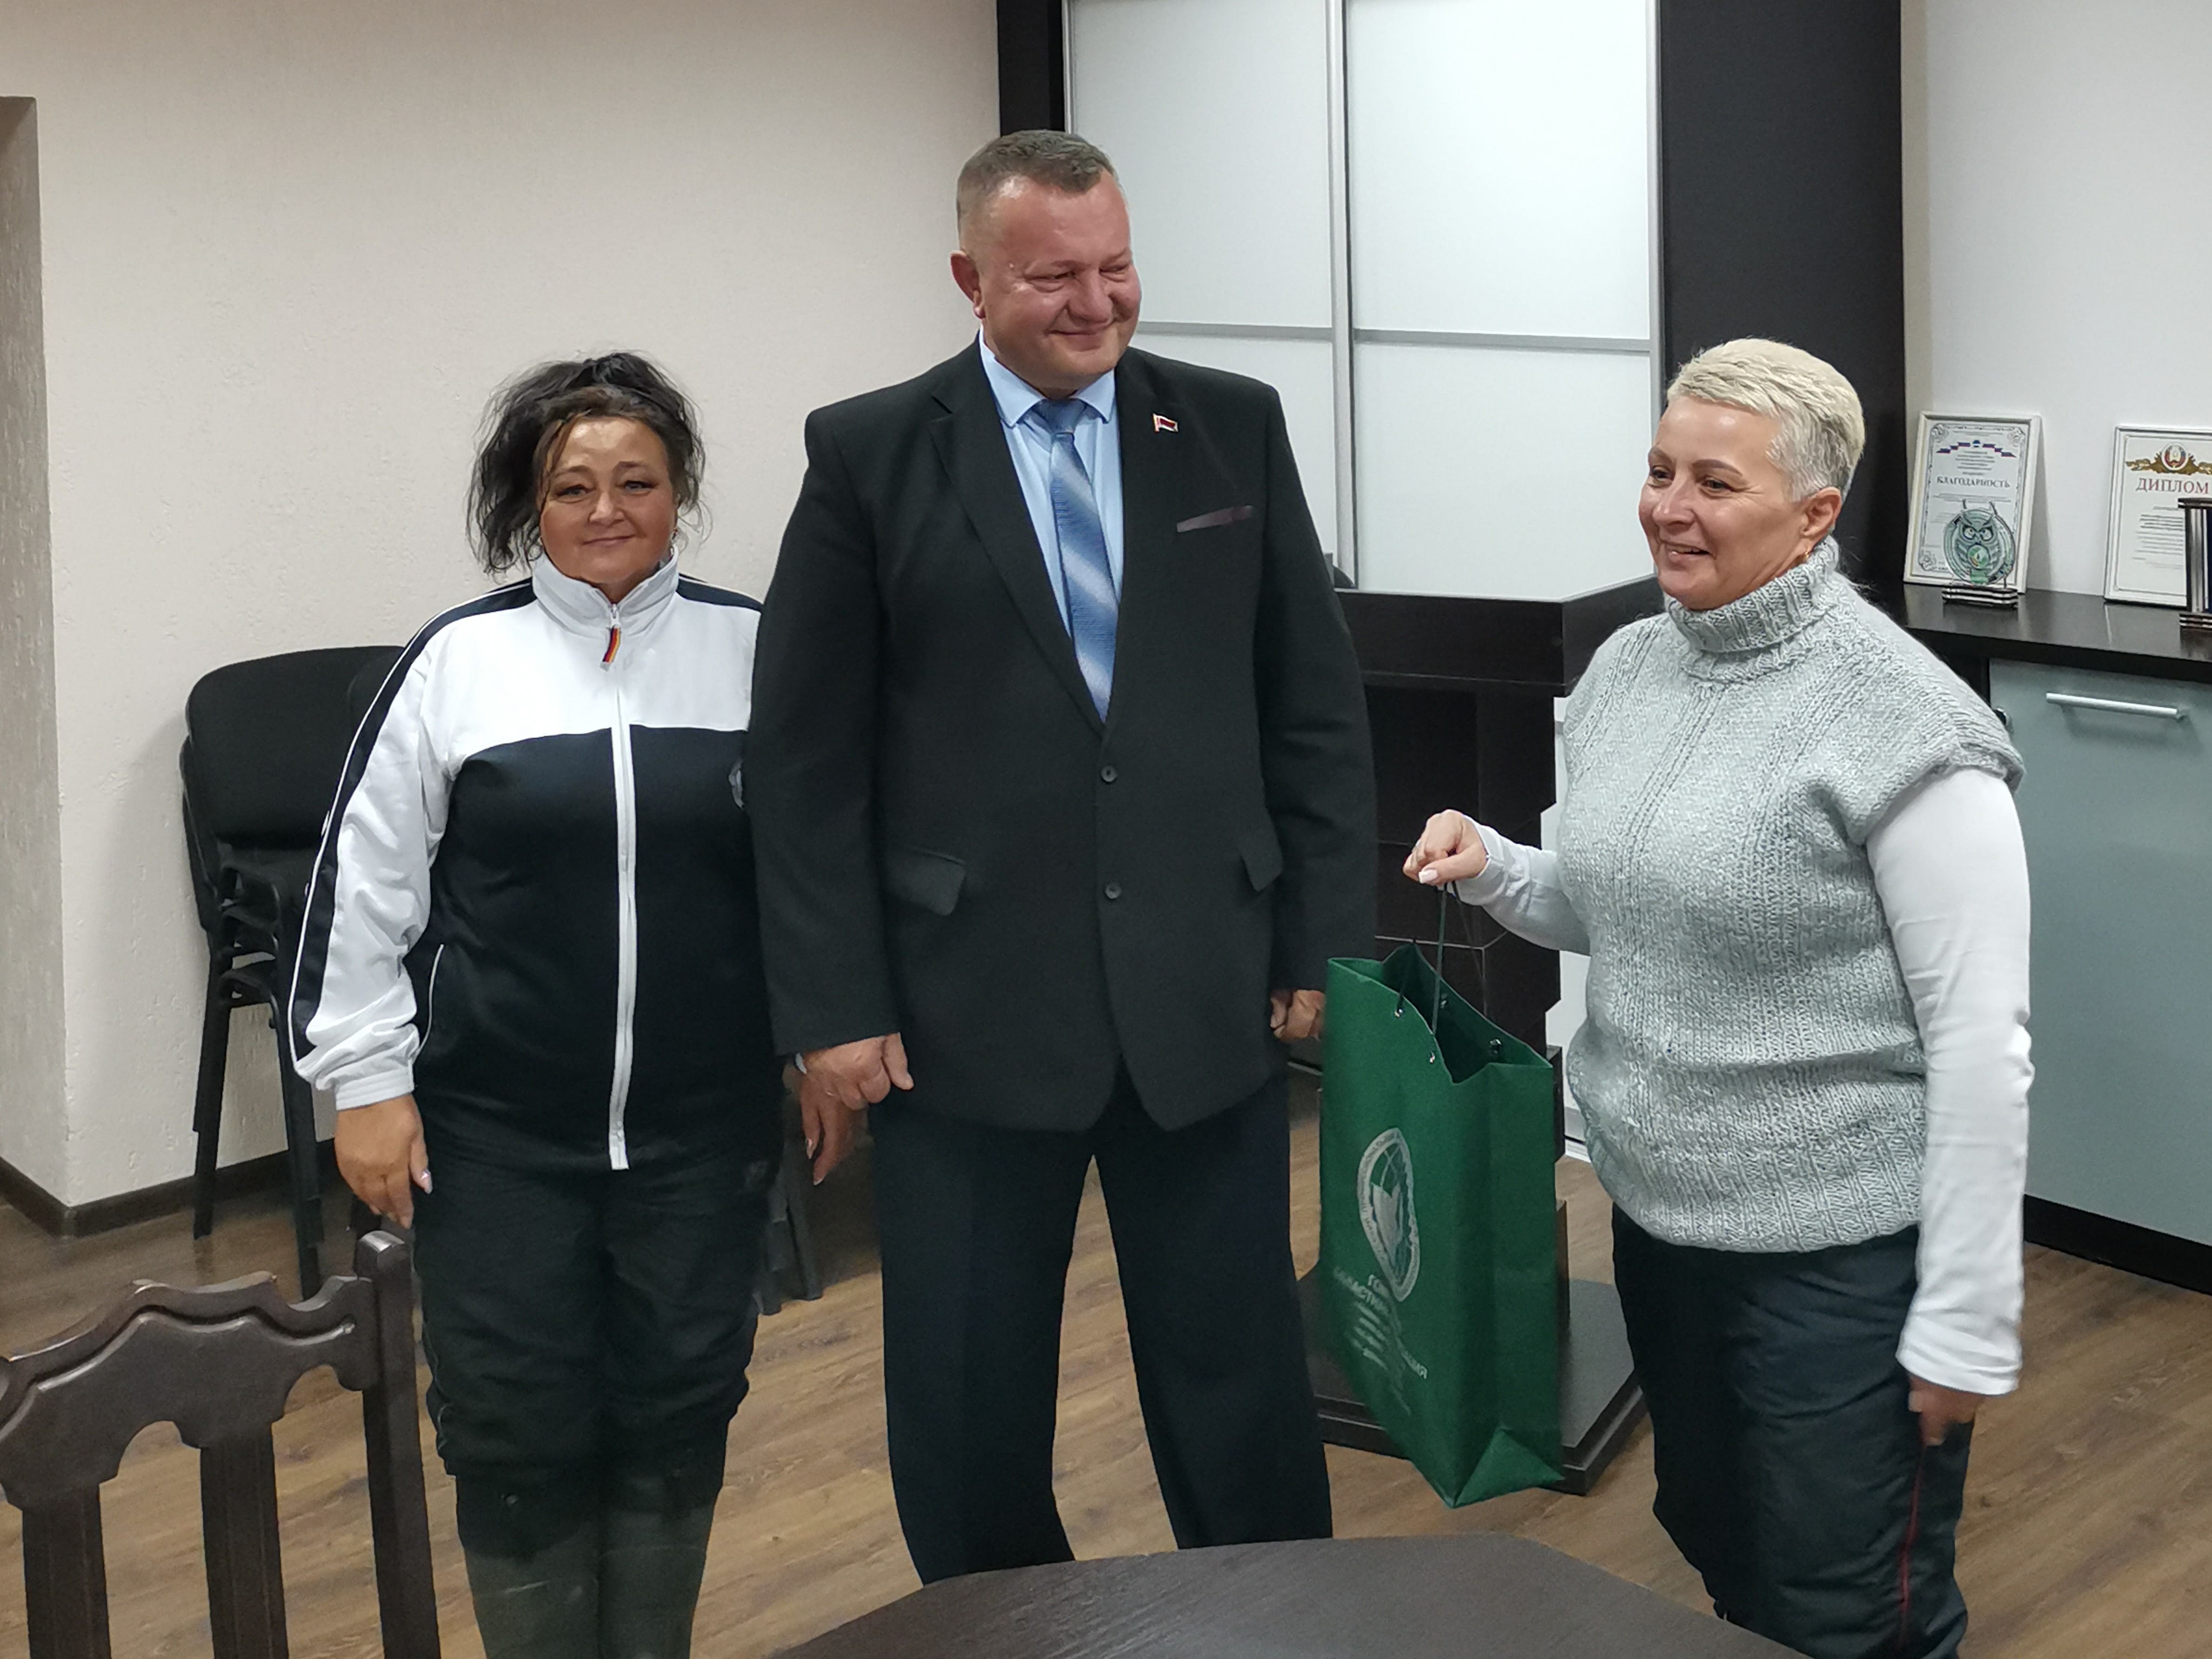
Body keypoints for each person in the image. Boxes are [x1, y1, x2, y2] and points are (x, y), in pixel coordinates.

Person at [746, 130, 1375, 1582]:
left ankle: (1275, 1619)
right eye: (1052, 278)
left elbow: (1313, 712)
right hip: (963, 1011)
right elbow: (802, 763)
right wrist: (832, 1008)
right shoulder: (870, 455)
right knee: (968, 1391)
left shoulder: (1228, 427)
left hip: (1201, 988)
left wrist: (1324, 945)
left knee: (1238, 1378)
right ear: (969, 279)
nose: (1096, 304)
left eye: (1116, 268)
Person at [1405, 339, 2029, 1659]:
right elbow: (1622, 906)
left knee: (1846, 1607)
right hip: (1661, 1224)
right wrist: (1500, 868)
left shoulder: (1908, 725)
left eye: (1714, 484)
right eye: (1658, 471)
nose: (1669, 509)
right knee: (1718, 1539)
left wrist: (1968, 1319)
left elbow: (1982, 1043)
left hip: (1840, 1261)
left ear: (1814, 515)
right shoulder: (1631, 667)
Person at [289, 353, 781, 1659]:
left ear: (680, 497)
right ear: (529, 504)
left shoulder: (754, 650)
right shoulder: (459, 662)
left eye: (638, 482)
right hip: (497, 1131)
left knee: (682, 1399)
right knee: (514, 1417)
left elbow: (816, 874)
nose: (606, 509)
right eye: (573, 486)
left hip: (705, 1129)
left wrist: (824, 1045)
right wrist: (366, 1084)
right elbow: (364, 887)